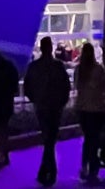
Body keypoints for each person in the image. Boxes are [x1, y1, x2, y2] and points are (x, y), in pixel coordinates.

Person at [25, 36, 72, 186]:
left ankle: (46, 171)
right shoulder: (58, 66)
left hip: (42, 105)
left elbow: (27, 86)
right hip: (55, 106)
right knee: (50, 138)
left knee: (48, 138)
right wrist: (62, 101)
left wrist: (35, 99)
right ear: (51, 48)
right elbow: (66, 86)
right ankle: (49, 171)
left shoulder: (34, 66)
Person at [74, 42, 105, 183]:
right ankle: (93, 169)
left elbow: (76, 86)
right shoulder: (98, 69)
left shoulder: (79, 70)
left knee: (88, 138)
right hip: (97, 108)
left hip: (82, 108)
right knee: (94, 139)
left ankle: (85, 166)